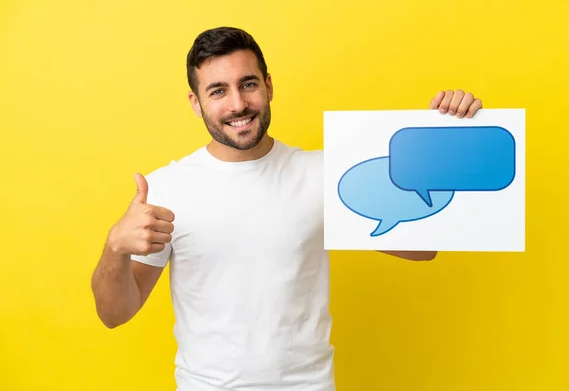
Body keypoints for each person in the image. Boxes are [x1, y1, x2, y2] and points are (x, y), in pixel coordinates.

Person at [91, 26, 483, 391]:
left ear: (269, 85)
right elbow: (114, 314)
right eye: (217, 91)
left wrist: (445, 136)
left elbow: (423, 248)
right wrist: (115, 248)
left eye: (248, 84)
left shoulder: (324, 173)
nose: (238, 103)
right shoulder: (167, 189)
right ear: (196, 103)